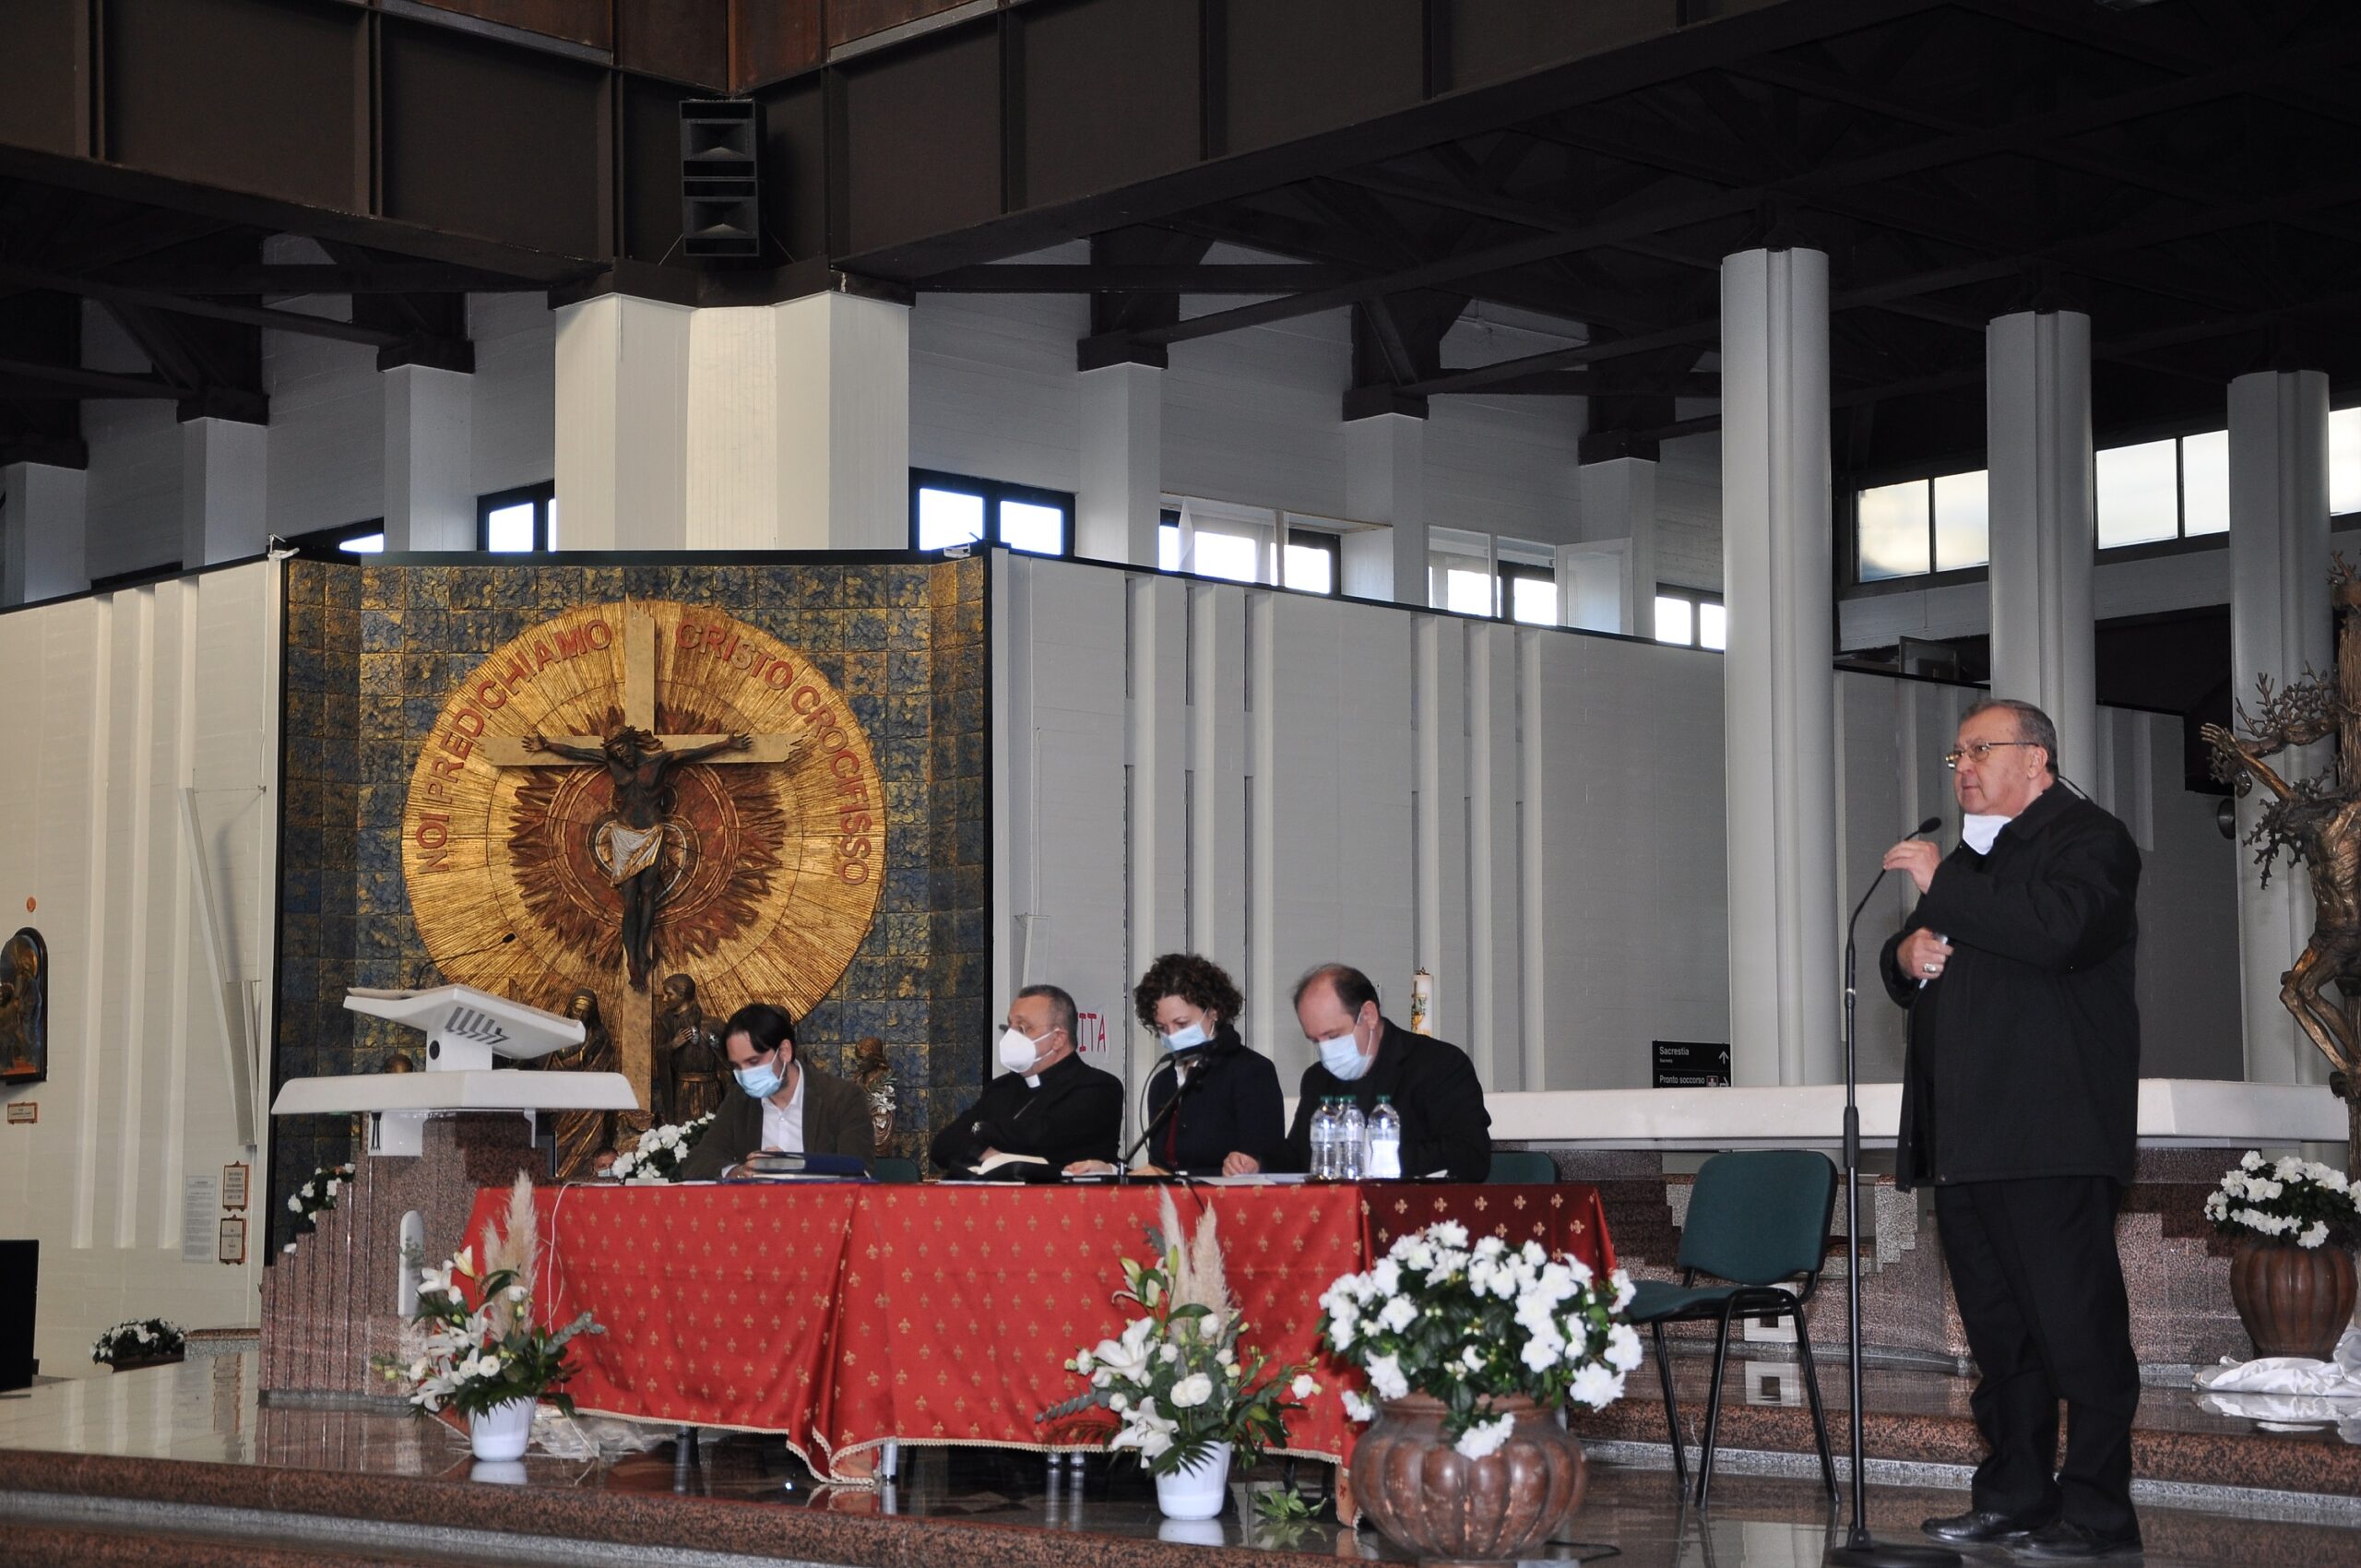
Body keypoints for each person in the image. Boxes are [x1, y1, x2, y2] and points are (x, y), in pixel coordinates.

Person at [1878, 697, 2142, 1562]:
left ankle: (2100, 1513)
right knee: (2000, 1340)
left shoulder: (2089, 841)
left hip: (2050, 1135)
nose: (1962, 767)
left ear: (2037, 761)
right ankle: (2016, 1494)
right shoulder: (1971, 861)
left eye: (1979, 750)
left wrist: (1942, 890)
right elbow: (1935, 950)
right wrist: (1904, 958)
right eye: (1956, 753)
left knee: (2077, 1331)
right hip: (1968, 1141)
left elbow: (2056, 932)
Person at [1229, 963, 1490, 1182]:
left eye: (1332, 1036)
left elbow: (1469, 1155)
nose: (1325, 1050)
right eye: (1315, 1040)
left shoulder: (1438, 1064)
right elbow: (1300, 1156)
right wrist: (1258, 1165)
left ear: (1368, 1015)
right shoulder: (1318, 1078)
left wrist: (1369, 1158)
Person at [1063, 954, 1284, 1178]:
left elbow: (1269, 1166)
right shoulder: (1163, 1082)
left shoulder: (1251, 1071)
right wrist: (1110, 1170)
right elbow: (1160, 1169)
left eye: (1182, 1024)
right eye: (1162, 1027)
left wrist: (1247, 1165)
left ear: (1214, 1011)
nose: (1172, 1036)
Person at [931, 984, 1121, 1175]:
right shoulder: (1001, 1089)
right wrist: (986, 1154)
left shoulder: (1098, 1087)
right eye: (1009, 1027)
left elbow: (1039, 1138)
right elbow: (943, 1145)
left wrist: (979, 1130)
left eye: (1022, 1028)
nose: (1010, 1036)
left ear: (1058, 1039)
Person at [676, 1003, 875, 1180]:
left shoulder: (843, 1097)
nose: (745, 1074)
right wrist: (739, 1172)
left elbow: (858, 1170)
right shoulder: (740, 1099)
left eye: (753, 1062)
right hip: (757, 1215)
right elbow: (696, 1162)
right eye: (737, 1066)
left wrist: (791, 1166)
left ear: (784, 1051)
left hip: (823, 1214)